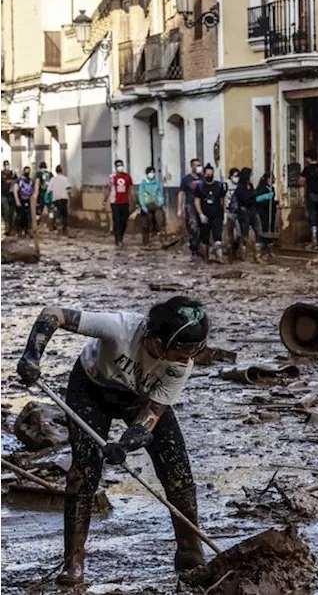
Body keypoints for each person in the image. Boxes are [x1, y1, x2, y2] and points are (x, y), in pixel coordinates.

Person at [15, 297, 210, 585]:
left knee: (177, 469)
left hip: (140, 399)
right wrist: (32, 355)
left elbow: (152, 414)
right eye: (182, 351)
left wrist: (126, 444)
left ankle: (190, 554)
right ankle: (74, 563)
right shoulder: (120, 328)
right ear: (157, 342)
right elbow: (53, 314)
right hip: (92, 389)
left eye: (195, 351)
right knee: (85, 471)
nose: (188, 359)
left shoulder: (181, 366)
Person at [232, 167, 269, 262]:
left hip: (253, 210)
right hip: (244, 212)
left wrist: (259, 198)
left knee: (259, 232)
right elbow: (244, 199)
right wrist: (253, 196)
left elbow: (253, 198)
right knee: (244, 234)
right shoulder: (240, 187)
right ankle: (243, 255)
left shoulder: (251, 185)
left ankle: (257, 255)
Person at [193, 164, 227, 262]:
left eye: (211, 174)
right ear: (204, 174)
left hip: (217, 215)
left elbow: (223, 200)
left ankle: (219, 258)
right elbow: (197, 201)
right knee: (204, 238)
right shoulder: (200, 187)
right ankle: (205, 258)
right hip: (205, 215)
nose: (209, 176)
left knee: (218, 237)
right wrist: (200, 214)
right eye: (207, 174)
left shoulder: (219, 186)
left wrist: (224, 212)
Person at [299, 155, 318, 250]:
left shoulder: (307, 169)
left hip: (311, 196)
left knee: (312, 218)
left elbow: (301, 182)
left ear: (308, 159)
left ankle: (314, 241)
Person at [106, 160, 132, 247]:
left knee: (124, 221)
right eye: (118, 165)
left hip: (125, 202)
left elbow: (130, 190)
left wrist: (133, 201)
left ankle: (121, 236)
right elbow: (108, 189)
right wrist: (105, 199)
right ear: (115, 167)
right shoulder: (112, 177)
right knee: (116, 220)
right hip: (115, 202)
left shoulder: (127, 177)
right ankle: (118, 239)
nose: (120, 167)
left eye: (121, 165)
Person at [179, 159, 202, 258]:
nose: (199, 167)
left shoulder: (203, 178)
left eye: (200, 165)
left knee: (202, 227)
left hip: (202, 205)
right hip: (190, 205)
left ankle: (200, 246)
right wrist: (179, 208)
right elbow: (181, 193)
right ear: (192, 166)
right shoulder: (186, 179)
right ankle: (194, 249)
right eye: (197, 165)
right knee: (193, 227)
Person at [138, 167, 166, 246]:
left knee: (160, 219)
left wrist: (160, 203)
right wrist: (143, 205)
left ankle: (162, 240)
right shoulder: (143, 183)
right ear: (147, 174)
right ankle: (145, 242)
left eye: (153, 172)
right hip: (146, 205)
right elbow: (141, 195)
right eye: (150, 172)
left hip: (155, 205)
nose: (152, 174)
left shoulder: (157, 183)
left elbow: (160, 194)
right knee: (145, 224)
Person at [255, 173, 277, 260]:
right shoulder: (261, 188)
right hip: (262, 212)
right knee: (263, 228)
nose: (273, 180)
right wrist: (266, 198)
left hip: (270, 212)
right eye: (271, 178)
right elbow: (257, 199)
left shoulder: (272, 188)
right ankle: (261, 250)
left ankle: (269, 249)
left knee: (270, 228)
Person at [48, 165, 71, 234]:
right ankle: (64, 228)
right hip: (64, 198)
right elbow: (68, 189)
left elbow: (49, 190)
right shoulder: (65, 179)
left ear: (56, 171)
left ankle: (57, 227)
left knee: (57, 213)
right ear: (62, 171)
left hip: (56, 199)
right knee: (64, 214)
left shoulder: (53, 179)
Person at [13, 166, 35, 236]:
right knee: (20, 216)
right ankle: (18, 230)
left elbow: (33, 190)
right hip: (21, 200)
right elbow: (15, 190)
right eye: (26, 171)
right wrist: (17, 200)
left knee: (28, 216)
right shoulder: (19, 180)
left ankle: (27, 231)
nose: (27, 173)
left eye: (28, 171)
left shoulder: (31, 181)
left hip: (28, 201)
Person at [0, 159, 17, 235]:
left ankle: (11, 228)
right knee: (6, 212)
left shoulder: (13, 174)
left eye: (8, 164)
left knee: (12, 213)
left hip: (12, 195)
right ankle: (7, 228)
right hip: (3, 196)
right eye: (5, 165)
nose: (7, 166)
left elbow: (16, 181)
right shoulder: (1, 175)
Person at [36, 161, 53, 229]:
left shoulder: (39, 174)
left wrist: (36, 194)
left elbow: (37, 183)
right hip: (49, 194)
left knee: (39, 210)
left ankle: (37, 224)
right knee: (50, 210)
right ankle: (52, 224)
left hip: (41, 194)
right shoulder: (50, 174)